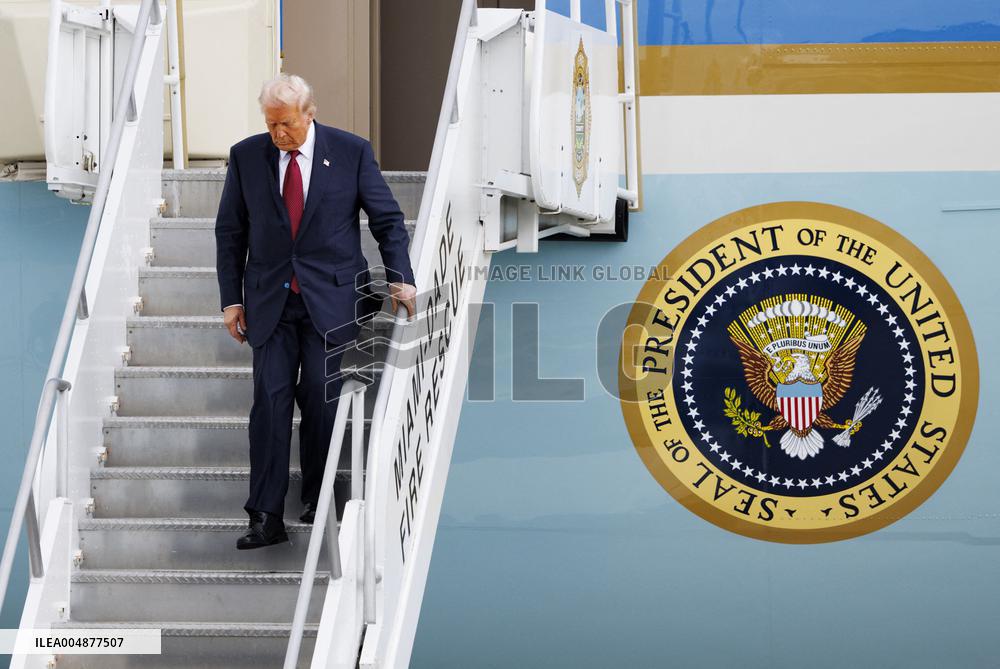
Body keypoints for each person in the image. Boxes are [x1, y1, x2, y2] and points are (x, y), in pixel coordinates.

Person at [215, 73, 416, 550]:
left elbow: (387, 220)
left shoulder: (351, 151)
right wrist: (231, 299)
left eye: (285, 124)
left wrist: (400, 277)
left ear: (310, 112)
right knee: (270, 404)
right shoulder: (247, 156)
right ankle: (265, 516)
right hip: (269, 301)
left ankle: (317, 499)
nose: (278, 134)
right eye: (270, 125)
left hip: (332, 299)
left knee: (322, 405)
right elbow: (230, 232)